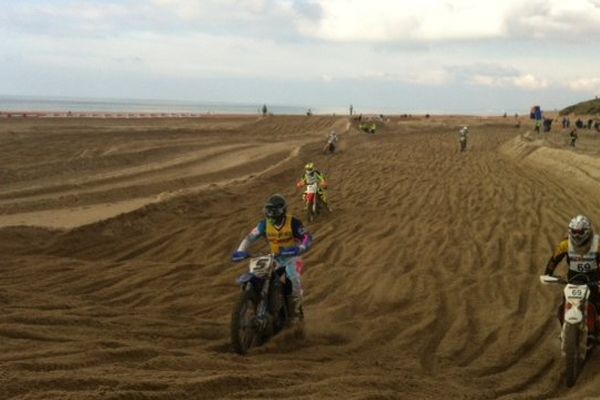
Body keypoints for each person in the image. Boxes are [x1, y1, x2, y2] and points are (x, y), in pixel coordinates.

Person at [232, 194, 312, 324]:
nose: (270, 214)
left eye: (273, 210)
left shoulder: (293, 222)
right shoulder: (264, 225)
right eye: (268, 210)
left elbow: (307, 236)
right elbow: (249, 238)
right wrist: (241, 251)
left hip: (292, 256)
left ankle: (295, 314)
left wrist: (302, 247)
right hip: (273, 257)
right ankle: (253, 305)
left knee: (294, 281)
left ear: (282, 211)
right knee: (258, 275)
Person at [543, 215, 600, 332]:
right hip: (573, 280)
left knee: (597, 304)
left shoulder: (597, 243)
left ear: (587, 231)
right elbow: (554, 260)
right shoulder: (565, 244)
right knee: (563, 306)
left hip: (594, 280)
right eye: (574, 232)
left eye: (580, 232)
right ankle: (565, 330)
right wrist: (548, 274)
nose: (577, 235)